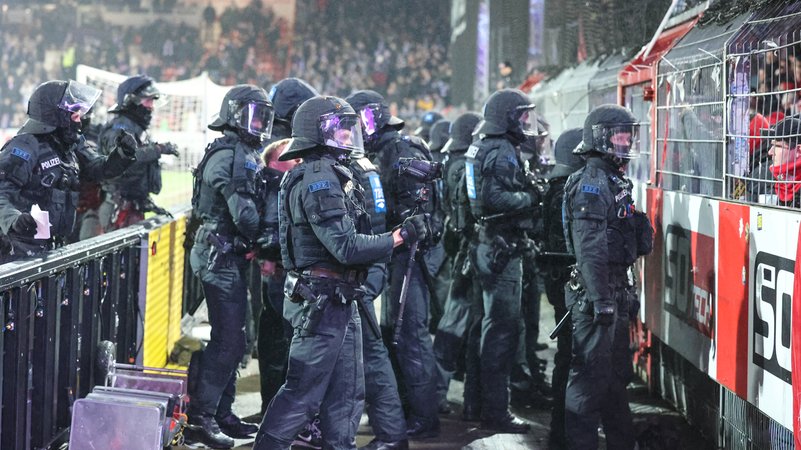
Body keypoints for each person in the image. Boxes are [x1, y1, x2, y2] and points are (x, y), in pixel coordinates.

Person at [252, 95, 431, 450]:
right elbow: (345, 247)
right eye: (339, 128)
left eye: (349, 128)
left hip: (340, 299)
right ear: (317, 133)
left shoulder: (330, 173)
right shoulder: (319, 178)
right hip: (322, 302)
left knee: (347, 395)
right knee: (301, 395)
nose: (349, 135)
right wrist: (399, 236)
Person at [346, 89, 442, 439]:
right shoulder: (378, 153)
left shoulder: (402, 150)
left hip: (409, 257)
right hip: (391, 254)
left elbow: (422, 213)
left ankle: (424, 416)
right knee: (392, 335)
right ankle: (402, 408)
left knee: (410, 335)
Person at [186, 84, 275, 449]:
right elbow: (246, 216)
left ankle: (221, 413)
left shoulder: (241, 152)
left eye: (264, 117)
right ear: (235, 116)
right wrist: (270, 236)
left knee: (235, 340)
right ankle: (201, 417)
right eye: (254, 116)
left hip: (229, 256)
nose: (261, 124)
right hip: (219, 256)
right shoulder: (231, 156)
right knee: (228, 342)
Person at [563, 104, 654, 449]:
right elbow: (590, 248)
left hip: (613, 290)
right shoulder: (591, 184)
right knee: (589, 380)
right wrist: (601, 299)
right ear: (601, 138)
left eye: (629, 136)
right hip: (596, 294)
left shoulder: (614, 180)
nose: (626, 142)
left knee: (615, 379)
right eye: (619, 136)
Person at [465, 88, 540, 433]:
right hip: (502, 248)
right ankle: (496, 412)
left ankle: (476, 404)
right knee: (501, 334)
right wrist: (530, 197)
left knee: (486, 329)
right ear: (507, 117)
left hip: (486, 245)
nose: (526, 122)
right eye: (522, 115)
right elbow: (494, 198)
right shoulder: (502, 150)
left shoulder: (482, 145)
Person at [0, 80, 136, 261]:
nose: (80, 119)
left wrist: (122, 154)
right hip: (18, 251)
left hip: (54, 249)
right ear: (56, 115)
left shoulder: (71, 144)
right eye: (74, 114)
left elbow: (98, 168)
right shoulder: (25, 146)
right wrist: (14, 219)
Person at [255, 77, 319, 420]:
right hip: (287, 264)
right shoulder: (286, 151)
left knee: (273, 337)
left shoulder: (271, 146)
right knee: (290, 340)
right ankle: (284, 417)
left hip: (276, 263)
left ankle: (272, 410)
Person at [346, 131, 408, 450]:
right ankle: (390, 434)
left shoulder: (348, 169)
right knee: (369, 354)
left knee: (368, 355)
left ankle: (390, 435)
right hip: (369, 268)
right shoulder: (365, 166)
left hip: (355, 274)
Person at [430, 111, 483, 418]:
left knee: (459, 324)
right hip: (465, 252)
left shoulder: (453, 162)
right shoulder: (462, 166)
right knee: (454, 325)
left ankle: (439, 393)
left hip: (459, 251)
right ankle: (435, 394)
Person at [539, 127, 584, 449]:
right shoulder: (564, 192)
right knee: (569, 360)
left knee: (568, 358)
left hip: (562, 285)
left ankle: (562, 431)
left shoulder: (557, 188)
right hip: (569, 287)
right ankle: (562, 433)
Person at [96, 75, 179, 233]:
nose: (151, 107)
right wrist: (158, 149)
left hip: (131, 208)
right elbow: (121, 160)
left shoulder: (136, 129)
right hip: (117, 211)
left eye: (153, 101)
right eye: (148, 101)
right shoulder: (119, 128)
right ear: (131, 100)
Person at [766, 117, 801, 207]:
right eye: (772, 145)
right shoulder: (770, 178)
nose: (770, 152)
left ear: (798, 151)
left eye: (777, 146)